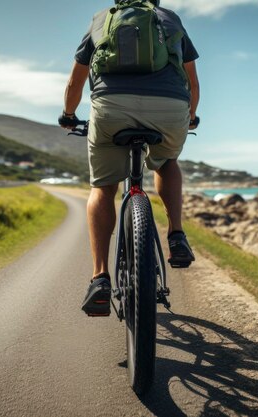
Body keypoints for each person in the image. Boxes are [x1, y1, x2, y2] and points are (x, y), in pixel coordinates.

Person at [59, 0, 200, 316]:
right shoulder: (170, 19)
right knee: (166, 162)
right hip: (170, 108)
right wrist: (189, 116)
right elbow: (192, 81)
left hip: (111, 107)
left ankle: (99, 278)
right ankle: (176, 235)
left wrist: (69, 115)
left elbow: (75, 82)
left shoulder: (101, 20)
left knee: (103, 187)